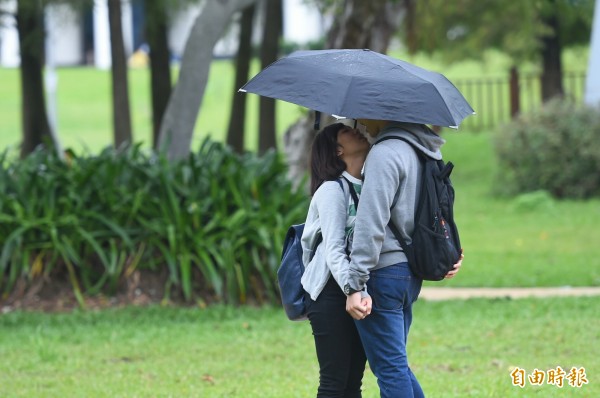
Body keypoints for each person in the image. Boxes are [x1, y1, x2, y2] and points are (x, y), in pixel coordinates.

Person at [343, 120, 464, 398]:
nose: (359, 124)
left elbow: (371, 223)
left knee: (390, 369)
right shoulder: (425, 151)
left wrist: (356, 284)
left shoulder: (386, 153)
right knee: (396, 365)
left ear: (380, 115)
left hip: (383, 273)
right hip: (408, 274)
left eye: (363, 117)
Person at [301, 122, 372, 398]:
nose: (356, 129)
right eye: (346, 131)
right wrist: (352, 289)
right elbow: (333, 250)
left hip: (357, 289)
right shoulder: (332, 190)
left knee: (353, 382)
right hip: (330, 292)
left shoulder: (368, 186)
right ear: (338, 150)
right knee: (334, 382)